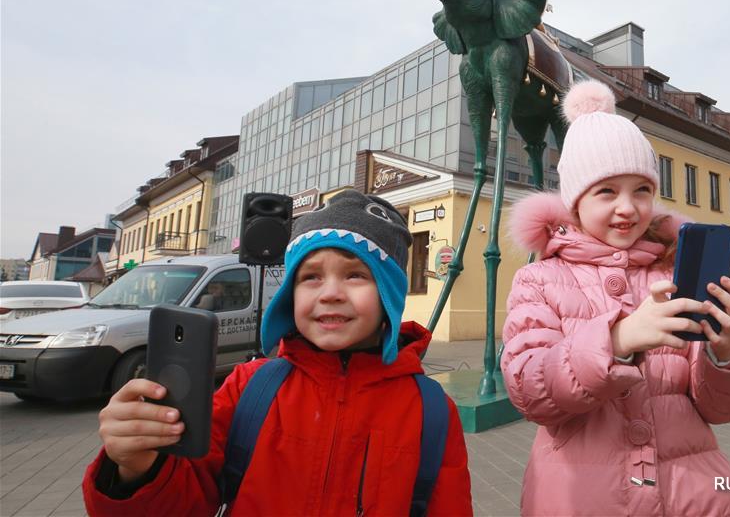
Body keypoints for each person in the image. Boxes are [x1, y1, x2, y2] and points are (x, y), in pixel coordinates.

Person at [83, 189, 473, 516]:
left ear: (389, 294)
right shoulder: (248, 389)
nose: (330, 292)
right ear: (289, 295)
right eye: (310, 276)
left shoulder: (432, 411)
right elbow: (180, 504)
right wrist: (135, 467)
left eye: (355, 274)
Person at [501, 79, 730, 516]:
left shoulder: (671, 273)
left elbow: (720, 410)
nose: (628, 207)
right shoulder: (539, 279)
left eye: (641, 189)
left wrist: (727, 351)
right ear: (575, 202)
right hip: (583, 499)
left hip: (690, 496)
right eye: (607, 191)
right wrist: (617, 340)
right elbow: (528, 390)